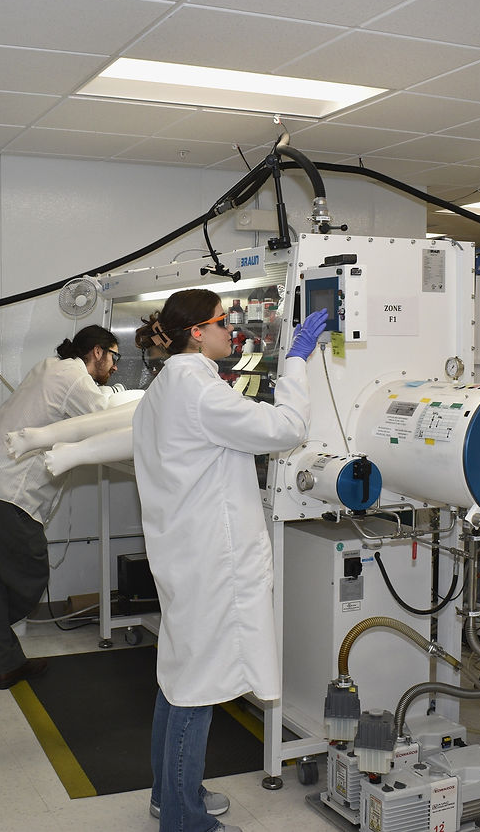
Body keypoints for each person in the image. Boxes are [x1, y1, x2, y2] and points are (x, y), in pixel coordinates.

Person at [132, 288, 328, 832]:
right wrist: (296, 361)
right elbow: (286, 429)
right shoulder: (200, 391)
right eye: (224, 322)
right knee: (199, 687)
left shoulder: (166, 385)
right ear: (197, 333)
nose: (232, 331)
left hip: (183, 555)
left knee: (178, 677)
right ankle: (185, 821)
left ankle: (170, 795)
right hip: (210, 562)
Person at [0, 325, 122, 689]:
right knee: (30, 580)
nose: (115, 366)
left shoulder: (51, 366)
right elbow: (103, 421)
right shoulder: (75, 378)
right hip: (7, 489)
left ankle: (6, 664)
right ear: (97, 351)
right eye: (114, 356)